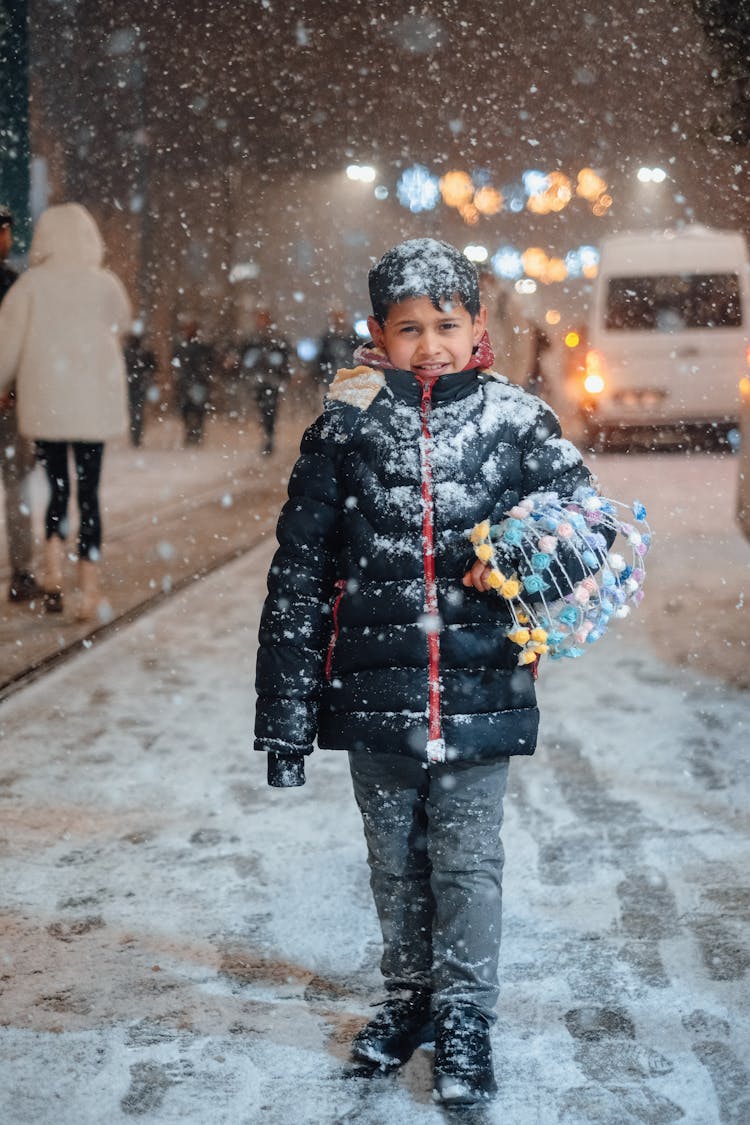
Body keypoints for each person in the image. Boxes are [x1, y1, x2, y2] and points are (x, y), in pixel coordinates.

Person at [254, 239, 600, 1106]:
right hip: (375, 694)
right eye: (409, 328)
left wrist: (526, 560)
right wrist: (286, 711)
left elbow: (586, 530)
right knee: (394, 862)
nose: (431, 344)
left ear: (479, 324)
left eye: (447, 324)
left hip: (482, 691)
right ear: (378, 330)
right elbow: (300, 573)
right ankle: (408, 999)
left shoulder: (516, 420)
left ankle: (466, 1017)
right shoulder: (346, 424)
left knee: (467, 861)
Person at [0, 202, 131, 619]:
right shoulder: (106, 284)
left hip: (49, 406)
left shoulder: (30, 285)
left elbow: (7, 346)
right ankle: (88, 589)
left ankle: (53, 569)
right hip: (93, 408)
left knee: (57, 489)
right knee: (88, 494)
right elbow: (122, 324)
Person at [0, 203, 40, 604]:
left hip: (9, 403)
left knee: (17, 491)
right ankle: (22, 573)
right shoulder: (15, 284)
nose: (7, 240)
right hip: (9, 405)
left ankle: (23, 572)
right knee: (17, 491)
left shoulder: (16, 283)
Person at [238, 309, 292, 454]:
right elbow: (243, 359)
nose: (261, 322)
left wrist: (283, 374)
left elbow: (286, 360)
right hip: (257, 381)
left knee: (270, 409)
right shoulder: (251, 340)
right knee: (263, 408)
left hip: (273, 381)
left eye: (264, 319)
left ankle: (269, 436)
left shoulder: (278, 340)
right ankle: (267, 434)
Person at [172, 320, 214, 446]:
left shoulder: (202, 347)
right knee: (186, 410)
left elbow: (208, 363)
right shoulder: (180, 348)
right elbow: (176, 363)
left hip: (198, 383)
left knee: (198, 411)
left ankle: (196, 433)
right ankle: (190, 432)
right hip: (186, 383)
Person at [123, 323, 157, 447]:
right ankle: (136, 436)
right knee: (137, 412)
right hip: (138, 385)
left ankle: (135, 436)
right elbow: (153, 367)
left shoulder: (130, 351)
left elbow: (152, 366)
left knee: (135, 412)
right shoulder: (142, 351)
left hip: (135, 385)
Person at [313, 308, 356, 393]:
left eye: (341, 317)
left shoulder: (353, 337)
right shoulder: (326, 340)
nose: (339, 321)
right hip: (332, 382)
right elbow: (320, 361)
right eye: (336, 318)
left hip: (351, 381)